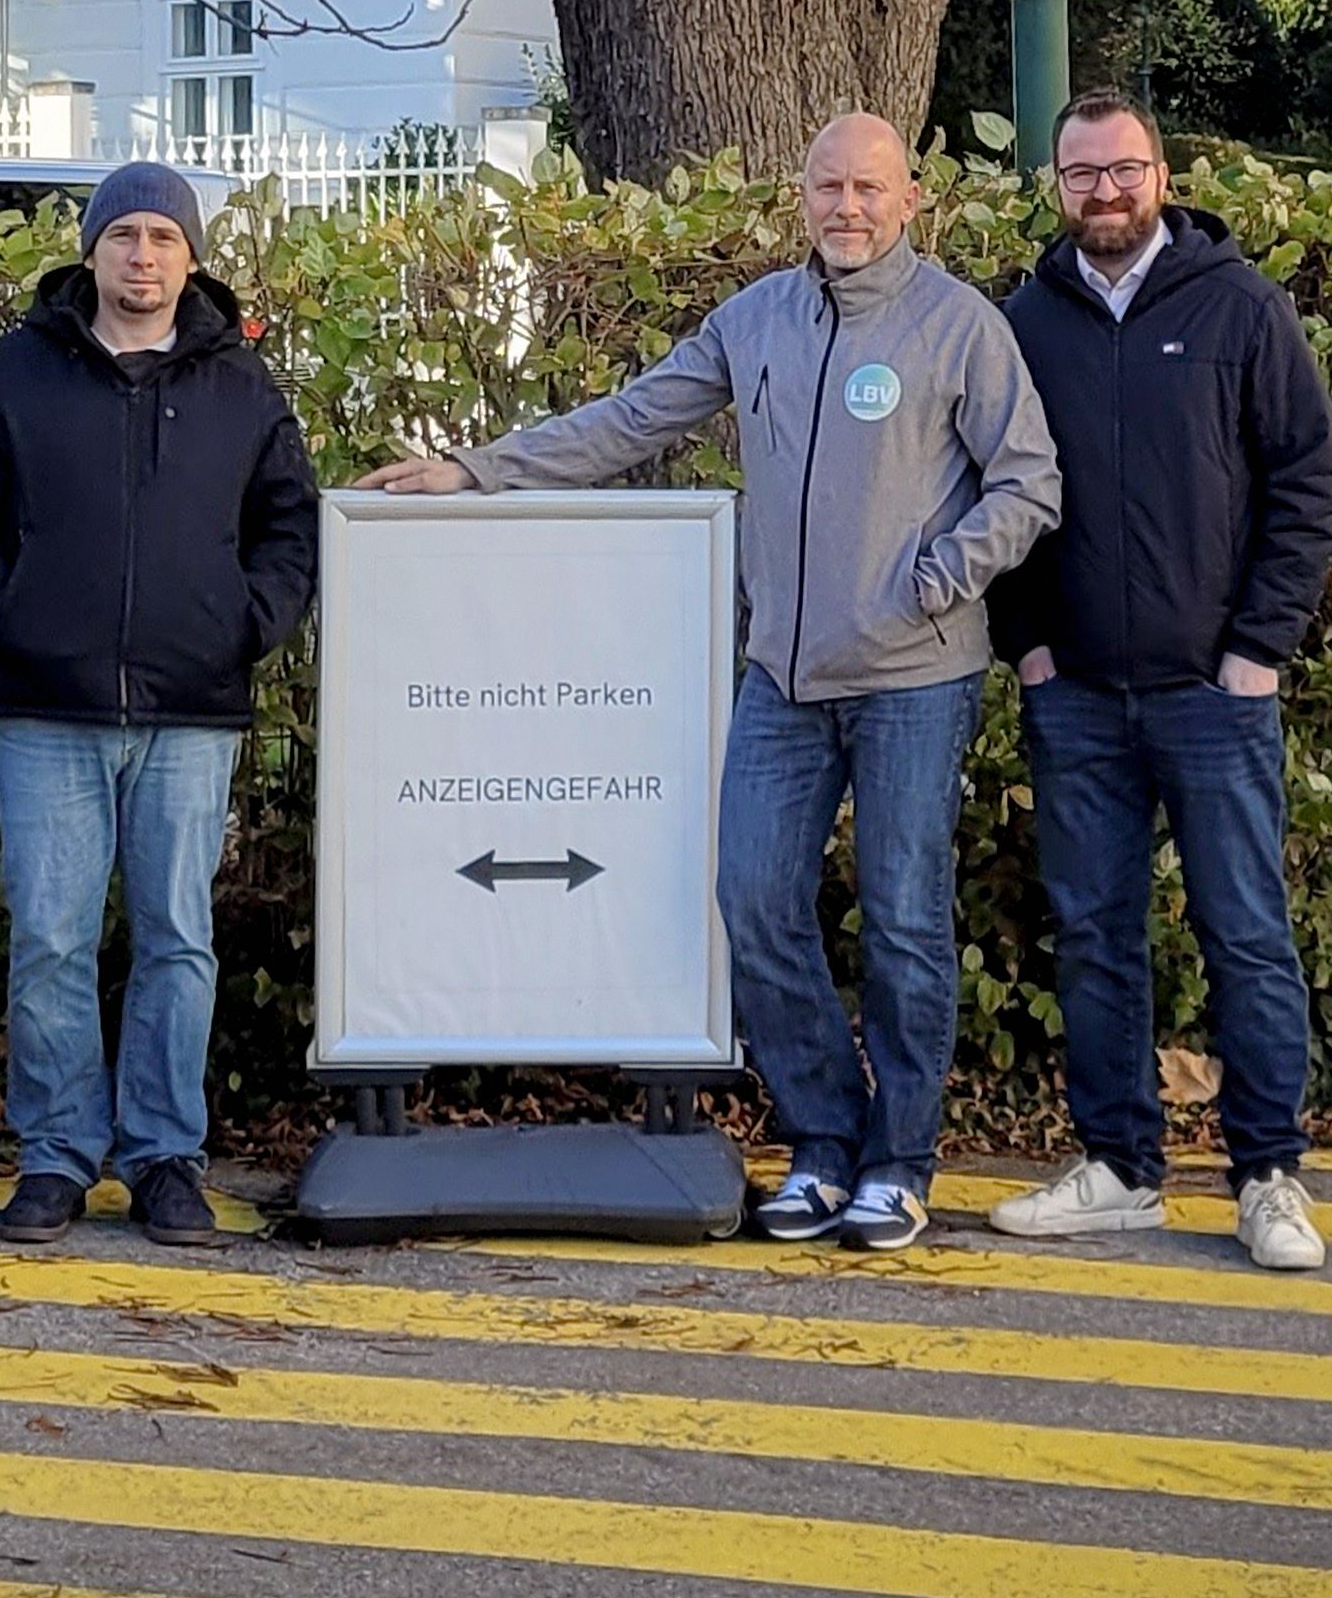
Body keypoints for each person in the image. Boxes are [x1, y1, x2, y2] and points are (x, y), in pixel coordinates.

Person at [363, 114, 1060, 1251]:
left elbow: (1028, 484)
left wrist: (942, 574)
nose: (848, 206)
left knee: (901, 921)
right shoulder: (757, 320)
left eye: (869, 188)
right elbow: (636, 419)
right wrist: (480, 470)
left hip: (913, 679)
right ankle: (824, 1147)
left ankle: (900, 1160)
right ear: (802, 197)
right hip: (780, 682)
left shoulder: (959, 326)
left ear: (909, 201)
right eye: (828, 185)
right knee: (753, 901)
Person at [0, 164, 317, 1248]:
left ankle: (163, 1157)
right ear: (89, 250)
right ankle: (53, 1156)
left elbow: (291, 526)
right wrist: (13, 619)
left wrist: (243, 625)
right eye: (124, 235)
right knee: (50, 938)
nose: (143, 256)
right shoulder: (14, 374)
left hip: (190, 710)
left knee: (179, 939)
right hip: (47, 708)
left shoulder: (241, 387)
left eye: (163, 238)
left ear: (192, 257)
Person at [985, 90, 1332, 1272]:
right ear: (1056, 187)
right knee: (1095, 938)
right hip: (1075, 691)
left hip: (1212, 694)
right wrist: (1026, 642)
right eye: (1081, 175)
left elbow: (1304, 482)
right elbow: (981, 487)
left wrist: (1257, 651)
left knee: (1244, 932)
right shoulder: (1022, 323)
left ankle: (1268, 1176)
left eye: (1123, 170)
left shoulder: (1238, 307)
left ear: (1162, 173)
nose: (1105, 192)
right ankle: (1121, 1169)